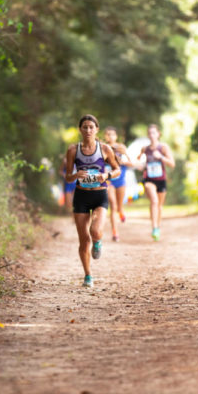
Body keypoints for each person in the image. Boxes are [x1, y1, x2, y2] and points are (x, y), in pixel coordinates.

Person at [64, 114, 120, 288]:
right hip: (81, 196)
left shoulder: (105, 149)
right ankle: (88, 275)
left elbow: (117, 170)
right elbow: (67, 177)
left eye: (91, 127)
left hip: (99, 195)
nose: (88, 130)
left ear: (97, 129)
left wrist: (107, 174)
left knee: (95, 231)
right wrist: (75, 175)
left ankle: (98, 241)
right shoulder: (73, 150)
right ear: (80, 129)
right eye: (85, 127)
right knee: (83, 240)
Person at [137, 123, 174, 241]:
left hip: (161, 180)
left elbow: (172, 164)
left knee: (159, 206)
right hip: (149, 179)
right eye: (149, 133)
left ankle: (157, 227)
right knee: (154, 201)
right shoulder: (145, 149)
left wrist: (161, 157)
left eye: (154, 133)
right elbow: (138, 160)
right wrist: (140, 164)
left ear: (158, 134)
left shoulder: (163, 148)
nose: (151, 135)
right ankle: (154, 227)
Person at [103, 126, 131, 242]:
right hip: (109, 180)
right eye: (108, 134)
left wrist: (123, 158)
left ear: (116, 136)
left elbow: (131, 163)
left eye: (113, 134)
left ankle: (121, 211)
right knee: (112, 205)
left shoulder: (121, 147)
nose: (110, 136)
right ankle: (115, 232)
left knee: (119, 206)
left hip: (120, 180)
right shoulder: (103, 148)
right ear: (105, 136)